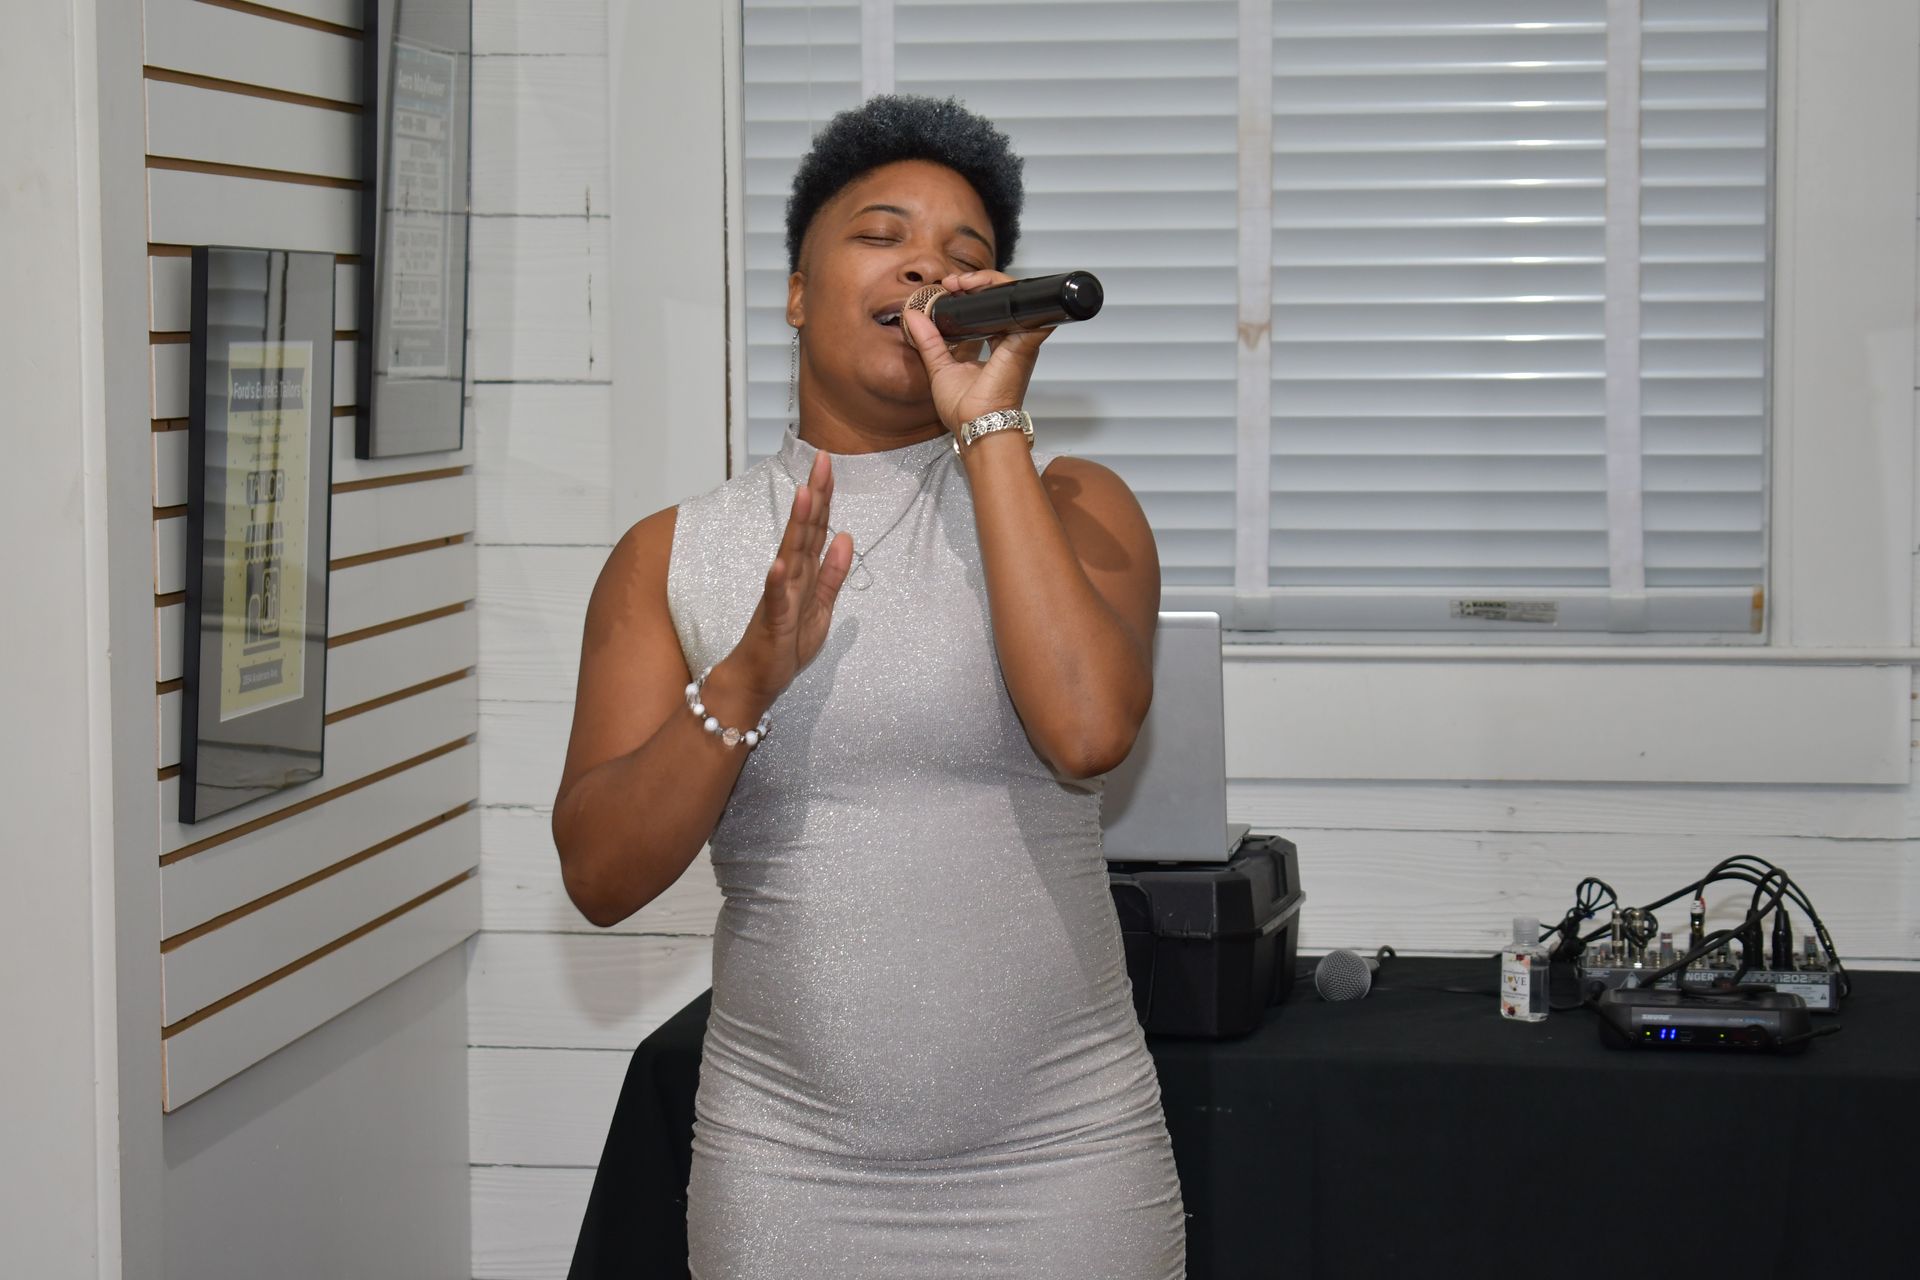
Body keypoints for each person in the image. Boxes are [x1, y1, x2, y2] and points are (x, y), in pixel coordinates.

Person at [553, 94, 1184, 1279]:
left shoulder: (1074, 506)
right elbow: (599, 873)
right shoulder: (673, 554)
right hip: (787, 1174)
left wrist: (989, 426)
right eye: (883, 234)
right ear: (798, 292)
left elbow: (1088, 730)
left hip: (1066, 1161)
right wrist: (747, 677)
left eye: (963, 252)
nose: (926, 266)